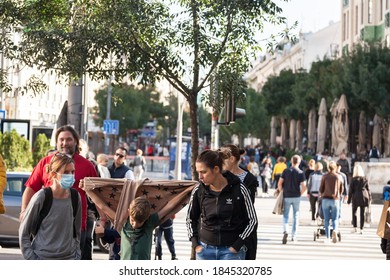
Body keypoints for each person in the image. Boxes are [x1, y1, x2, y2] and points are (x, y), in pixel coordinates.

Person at [21, 125, 98, 259]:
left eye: (68, 139)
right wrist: (24, 211)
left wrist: (103, 218)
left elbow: (97, 193)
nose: (64, 143)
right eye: (61, 139)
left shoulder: (86, 166)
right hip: (46, 241)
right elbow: (31, 188)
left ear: (75, 141)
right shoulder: (44, 165)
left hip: (76, 226)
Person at [186, 149, 257, 260]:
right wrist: (196, 245)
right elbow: (190, 219)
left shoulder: (239, 189)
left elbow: (252, 221)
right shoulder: (198, 190)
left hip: (232, 253)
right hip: (204, 251)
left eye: (203, 172)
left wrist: (237, 245)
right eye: (198, 172)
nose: (200, 176)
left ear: (216, 169)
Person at [19, 153, 82, 259]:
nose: (70, 175)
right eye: (66, 172)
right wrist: (32, 258)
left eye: (72, 171)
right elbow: (24, 231)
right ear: (53, 174)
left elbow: (77, 231)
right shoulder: (41, 197)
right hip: (43, 256)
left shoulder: (75, 197)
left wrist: (76, 255)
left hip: (69, 257)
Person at [220, 144, 258, 260]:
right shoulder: (218, 176)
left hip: (241, 234)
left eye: (223, 159)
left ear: (231, 159)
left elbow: (247, 208)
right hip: (220, 234)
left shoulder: (249, 179)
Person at [277, 155, 307, 244]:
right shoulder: (301, 172)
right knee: (296, 216)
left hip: (286, 196)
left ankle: (286, 231)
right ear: (299, 162)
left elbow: (279, 183)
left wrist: (281, 191)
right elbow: (304, 186)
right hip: (296, 196)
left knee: (285, 215)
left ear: (291, 161)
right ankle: (294, 236)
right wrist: (300, 194)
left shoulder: (285, 171)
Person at [319, 161, 344, 244]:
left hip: (325, 199)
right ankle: (335, 230)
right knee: (335, 219)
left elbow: (321, 188)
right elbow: (341, 189)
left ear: (328, 168)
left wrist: (322, 194)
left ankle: (328, 237)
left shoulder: (324, 176)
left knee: (326, 219)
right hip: (335, 200)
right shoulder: (339, 177)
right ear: (335, 168)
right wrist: (339, 195)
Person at [347, 164, 371, 234]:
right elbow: (368, 189)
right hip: (364, 196)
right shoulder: (365, 178)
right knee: (362, 213)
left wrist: (349, 200)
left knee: (354, 212)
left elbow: (350, 190)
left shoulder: (353, 179)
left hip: (355, 196)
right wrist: (370, 198)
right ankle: (361, 229)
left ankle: (354, 227)